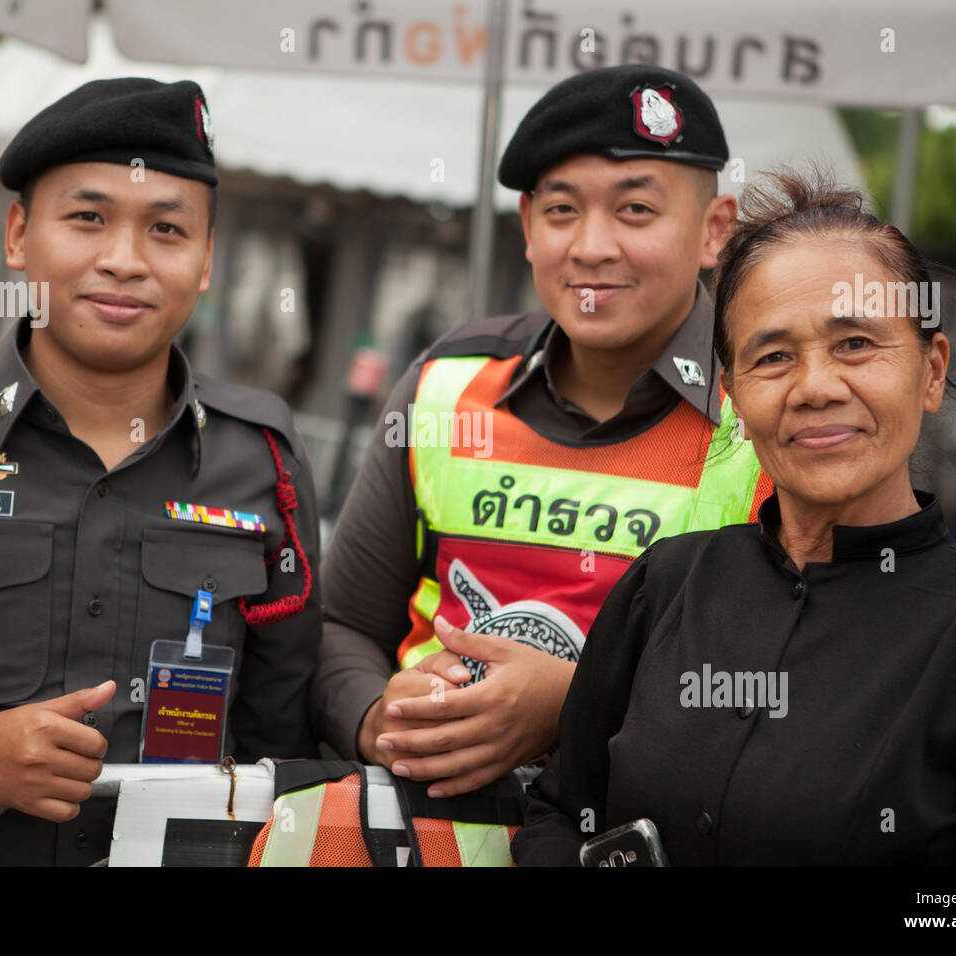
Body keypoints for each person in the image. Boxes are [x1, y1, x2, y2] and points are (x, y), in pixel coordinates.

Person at [0, 78, 322, 865]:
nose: (124, 261)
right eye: (88, 219)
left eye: (167, 231)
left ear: (207, 261)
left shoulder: (263, 459)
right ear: (17, 235)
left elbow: (289, 736)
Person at [512, 170, 956, 866]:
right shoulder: (666, 585)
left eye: (855, 345)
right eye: (775, 356)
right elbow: (558, 811)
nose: (815, 388)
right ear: (733, 393)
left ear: (931, 371)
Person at [310, 65, 773, 811]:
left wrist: (574, 704)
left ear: (714, 229)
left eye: (635, 211)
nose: (591, 247)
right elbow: (342, 626)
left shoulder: (773, 411)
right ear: (527, 227)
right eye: (561, 211)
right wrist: (376, 717)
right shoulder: (445, 386)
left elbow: (803, 690)